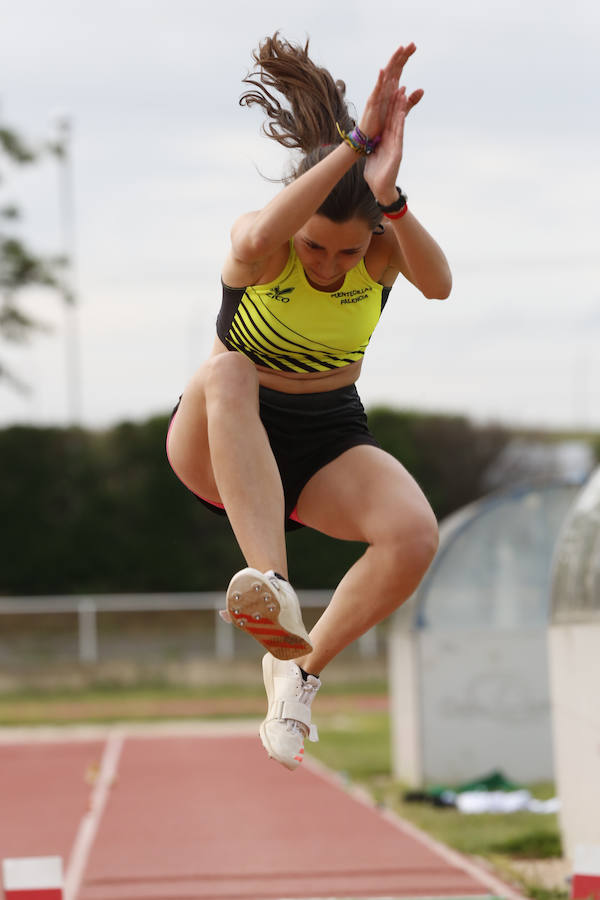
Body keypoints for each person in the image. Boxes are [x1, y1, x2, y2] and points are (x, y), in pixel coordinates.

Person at [166, 33, 451, 771]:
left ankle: (296, 673)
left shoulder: (383, 251)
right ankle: (270, 584)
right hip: (221, 435)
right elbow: (264, 228)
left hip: (325, 436)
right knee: (229, 370)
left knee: (414, 534)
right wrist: (356, 143)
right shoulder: (263, 249)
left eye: (348, 252)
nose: (330, 266)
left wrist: (391, 196)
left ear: (373, 241)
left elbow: (441, 284)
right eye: (317, 248)